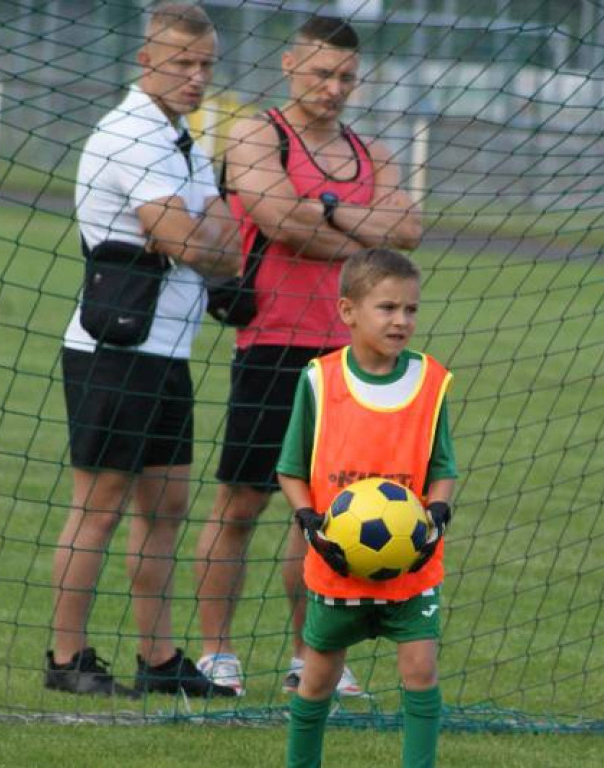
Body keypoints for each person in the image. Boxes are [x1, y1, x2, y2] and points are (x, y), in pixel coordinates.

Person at [194, 15, 422, 696]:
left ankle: (310, 656)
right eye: (322, 72)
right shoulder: (256, 131)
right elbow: (276, 217)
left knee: (329, 515)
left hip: (345, 360)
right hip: (270, 343)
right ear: (291, 64)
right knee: (240, 503)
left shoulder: (371, 150)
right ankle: (216, 653)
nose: (334, 87)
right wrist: (357, 236)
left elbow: (406, 232)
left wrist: (321, 208)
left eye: (347, 77)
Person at [47, 2, 239, 697]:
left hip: (167, 350)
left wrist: (203, 234)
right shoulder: (131, 133)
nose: (195, 76)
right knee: (98, 506)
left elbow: (219, 237)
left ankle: (157, 661)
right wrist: (204, 233)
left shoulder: (181, 135)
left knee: (166, 505)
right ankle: (67, 658)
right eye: (182, 62)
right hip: (112, 348)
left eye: (206, 65)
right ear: (146, 61)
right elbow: (196, 243)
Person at [277, 248, 457, 768]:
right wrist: (309, 521)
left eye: (411, 310)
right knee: (316, 679)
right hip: (337, 565)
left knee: (421, 670)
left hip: (413, 565)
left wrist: (437, 516)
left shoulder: (429, 381)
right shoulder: (319, 380)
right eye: (387, 308)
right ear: (348, 311)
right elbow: (291, 467)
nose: (401, 320)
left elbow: (442, 465)